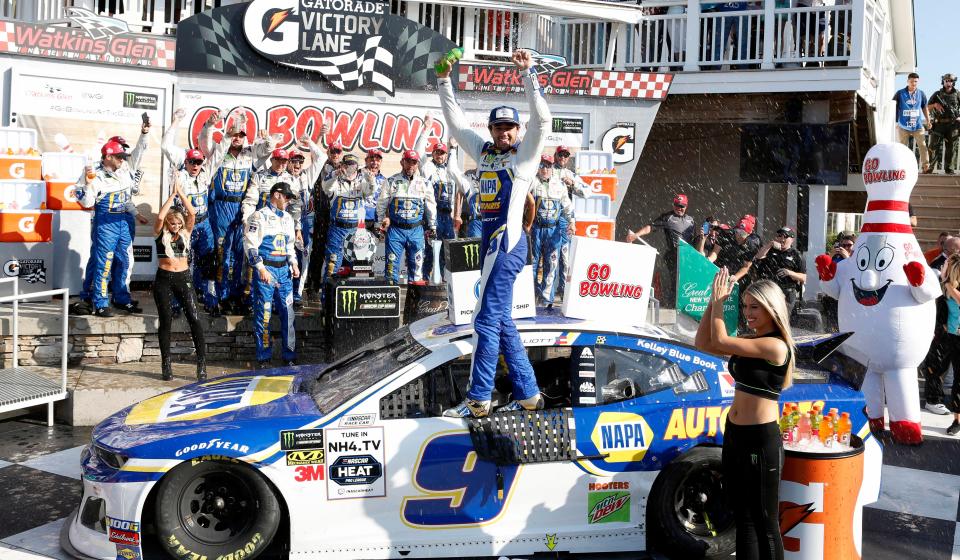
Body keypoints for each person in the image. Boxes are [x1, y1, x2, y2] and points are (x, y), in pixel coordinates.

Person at [436, 48, 548, 417]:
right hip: (491, 242)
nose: (504, 132)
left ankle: (478, 399)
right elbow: (454, 125)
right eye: (498, 126)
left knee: (483, 319)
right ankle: (529, 394)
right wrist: (443, 81)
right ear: (492, 129)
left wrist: (528, 75)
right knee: (499, 318)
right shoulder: (484, 152)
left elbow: (544, 121)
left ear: (518, 131)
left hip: (509, 243)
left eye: (510, 127)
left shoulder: (525, 155)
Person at [695, 273, 794, 560]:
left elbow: (721, 338)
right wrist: (711, 304)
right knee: (744, 517)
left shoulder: (775, 346)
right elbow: (705, 342)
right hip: (736, 435)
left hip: (760, 441)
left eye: (755, 307)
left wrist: (718, 304)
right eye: (745, 305)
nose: (747, 313)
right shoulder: (753, 340)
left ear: (771, 309)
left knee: (765, 520)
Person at [200, 109, 274, 315]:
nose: (238, 139)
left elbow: (268, 150)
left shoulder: (250, 154)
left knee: (240, 254)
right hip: (221, 207)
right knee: (221, 253)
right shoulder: (219, 150)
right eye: (235, 135)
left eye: (242, 135)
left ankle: (236, 295)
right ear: (229, 134)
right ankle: (218, 297)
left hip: (242, 208)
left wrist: (267, 137)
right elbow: (203, 143)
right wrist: (209, 126)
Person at [75, 129, 150, 316]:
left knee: (125, 262)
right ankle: (100, 302)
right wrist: (87, 183)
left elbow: (139, 152)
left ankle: (121, 298)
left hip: (124, 221)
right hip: (106, 222)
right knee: (104, 263)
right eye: (118, 157)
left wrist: (144, 133)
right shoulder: (93, 173)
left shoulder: (124, 168)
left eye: (123, 156)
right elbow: (87, 202)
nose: (122, 160)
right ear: (108, 156)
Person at [162, 109, 216, 310]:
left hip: (204, 222)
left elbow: (218, 153)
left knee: (208, 259)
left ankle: (205, 294)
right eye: (192, 161)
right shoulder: (180, 175)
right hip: (184, 225)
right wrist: (176, 121)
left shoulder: (205, 173)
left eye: (199, 162)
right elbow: (166, 146)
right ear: (185, 162)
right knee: (180, 261)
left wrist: (212, 127)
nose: (195, 165)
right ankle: (176, 301)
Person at [153, 176, 206, 382]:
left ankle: (201, 364)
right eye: (172, 223)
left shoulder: (185, 232)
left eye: (178, 223)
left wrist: (181, 193)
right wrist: (171, 196)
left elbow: (192, 213)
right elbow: (159, 217)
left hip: (183, 278)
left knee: (195, 318)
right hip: (164, 279)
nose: (175, 226)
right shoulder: (160, 233)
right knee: (165, 321)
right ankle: (166, 364)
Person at [244, 182, 300, 368]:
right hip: (267, 271)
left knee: (288, 315)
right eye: (287, 197)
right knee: (264, 314)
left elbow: (290, 245)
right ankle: (264, 358)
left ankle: (289, 356)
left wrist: (294, 263)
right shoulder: (258, 216)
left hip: (284, 272)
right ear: (276, 195)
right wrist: (260, 269)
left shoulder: (288, 218)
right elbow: (250, 246)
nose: (289, 200)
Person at [377, 150, 437, 284]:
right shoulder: (391, 181)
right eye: (408, 161)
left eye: (414, 162)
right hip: (396, 230)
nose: (411, 165)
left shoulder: (425, 183)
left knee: (416, 271)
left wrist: (433, 226)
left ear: (417, 164)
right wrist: (380, 222)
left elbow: (431, 206)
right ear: (402, 162)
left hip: (416, 230)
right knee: (391, 268)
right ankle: (391, 300)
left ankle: (414, 303)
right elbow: (381, 203)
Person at [626, 194, 696, 306]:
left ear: (686, 206)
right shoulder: (667, 217)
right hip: (673, 255)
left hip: (688, 257)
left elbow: (694, 241)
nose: (679, 208)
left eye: (682, 206)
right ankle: (673, 307)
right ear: (673, 205)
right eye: (677, 205)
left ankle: (686, 307)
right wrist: (636, 235)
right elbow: (651, 227)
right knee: (676, 281)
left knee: (688, 282)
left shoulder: (691, 220)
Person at [321, 153, 378, 283]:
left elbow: (370, 192)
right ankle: (328, 299)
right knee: (332, 264)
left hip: (356, 230)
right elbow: (326, 187)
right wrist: (336, 173)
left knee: (358, 267)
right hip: (337, 229)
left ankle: (355, 300)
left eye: (353, 165)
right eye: (347, 165)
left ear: (357, 167)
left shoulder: (362, 181)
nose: (350, 168)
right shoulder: (335, 181)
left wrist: (371, 180)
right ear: (342, 166)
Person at [416, 118, 461, 279]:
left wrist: (454, 147)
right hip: (431, 216)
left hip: (447, 217)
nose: (440, 155)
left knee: (447, 252)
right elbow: (419, 152)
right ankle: (425, 283)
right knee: (428, 251)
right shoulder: (427, 167)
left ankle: (445, 282)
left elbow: (457, 194)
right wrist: (426, 129)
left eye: (442, 153)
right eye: (437, 152)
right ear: (433, 153)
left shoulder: (450, 169)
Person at [922, 236, 960, 415]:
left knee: (946, 365)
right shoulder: (937, 265)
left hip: (951, 325)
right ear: (953, 250)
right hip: (941, 324)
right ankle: (932, 399)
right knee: (936, 363)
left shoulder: (952, 264)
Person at [287, 134, 327, 308]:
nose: (297, 165)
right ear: (287, 162)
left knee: (303, 260)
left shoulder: (307, 176)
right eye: (293, 161)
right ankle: (284, 293)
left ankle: (297, 293)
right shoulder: (281, 177)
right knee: (285, 259)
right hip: (285, 224)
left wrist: (310, 142)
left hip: (304, 226)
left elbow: (322, 157)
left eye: (300, 162)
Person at [530, 154, 575, 305]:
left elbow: (567, 205)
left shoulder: (559, 184)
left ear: (551, 168)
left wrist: (572, 222)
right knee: (533, 263)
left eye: (548, 166)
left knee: (552, 263)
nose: (545, 169)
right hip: (536, 229)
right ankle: (531, 295)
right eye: (542, 165)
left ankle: (546, 298)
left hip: (553, 230)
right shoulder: (532, 181)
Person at [552, 145, 590, 299]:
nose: (563, 158)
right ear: (555, 155)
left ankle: (563, 291)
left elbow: (588, 192)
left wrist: (572, 184)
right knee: (549, 257)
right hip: (547, 217)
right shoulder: (547, 169)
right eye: (560, 155)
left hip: (564, 218)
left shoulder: (571, 174)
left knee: (564, 256)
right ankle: (545, 293)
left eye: (566, 155)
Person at [752, 226, 806, 313]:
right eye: (780, 236)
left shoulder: (796, 255)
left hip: (786, 292)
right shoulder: (770, 250)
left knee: (781, 319)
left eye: (785, 236)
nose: (782, 238)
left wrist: (789, 273)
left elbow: (803, 277)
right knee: (768, 317)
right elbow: (758, 257)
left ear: (792, 239)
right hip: (770, 290)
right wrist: (770, 244)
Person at [892, 72, 932, 173]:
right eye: (911, 81)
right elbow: (893, 106)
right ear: (907, 81)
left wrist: (928, 120)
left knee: (922, 145)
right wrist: (896, 122)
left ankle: (926, 167)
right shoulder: (900, 93)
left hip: (917, 125)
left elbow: (924, 107)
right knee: (902, 147)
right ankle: (900, 167)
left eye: (915, 81)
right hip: (903, 125)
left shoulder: (921, 93)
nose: (913, 83)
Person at [938, 254, 960, 436]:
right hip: (955, 337)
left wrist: (948, 284)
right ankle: (957, 420)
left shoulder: (950, 287)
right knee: (958, 381)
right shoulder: (946, 287)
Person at [928, 73, 960, 174]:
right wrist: (935, 105)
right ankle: (930, 168)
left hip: (953, 125)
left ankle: (949, 169)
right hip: (939, 124)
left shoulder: (958, 94)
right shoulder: (937, 93)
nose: (948, 82)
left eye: (950, 81)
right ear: (943, 82)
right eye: (946, 80)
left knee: (951, 148)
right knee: (933, 146)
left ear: (953, 82)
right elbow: (926, 107)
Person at [362, 148, 387, 230]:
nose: (375, 163)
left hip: (376, 221)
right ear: (366, 161)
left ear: (381, 162)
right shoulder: (357, 175)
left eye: (378, 160)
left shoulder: (384, 180)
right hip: (359, 219)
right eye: (372, 160)